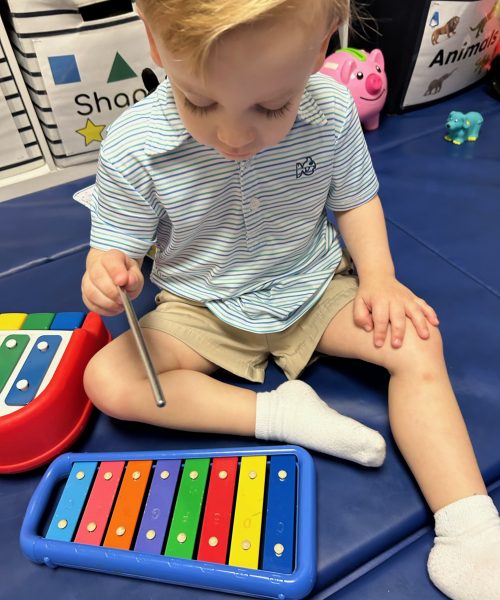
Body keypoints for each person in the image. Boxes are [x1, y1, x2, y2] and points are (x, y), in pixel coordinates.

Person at [81, 1, 500, 598]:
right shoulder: (133, 145)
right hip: (200, 305)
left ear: (324, 43)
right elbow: (113, 250)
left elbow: (356, 200)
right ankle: (283, 416)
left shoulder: (331, 113)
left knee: (417, 340)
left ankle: (470, 524)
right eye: (198, 100)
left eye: (272, 105)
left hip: (313, 283)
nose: (232, 135)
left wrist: (379, 279)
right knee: (110, 381)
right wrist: (105, 276)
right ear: (152, 41)